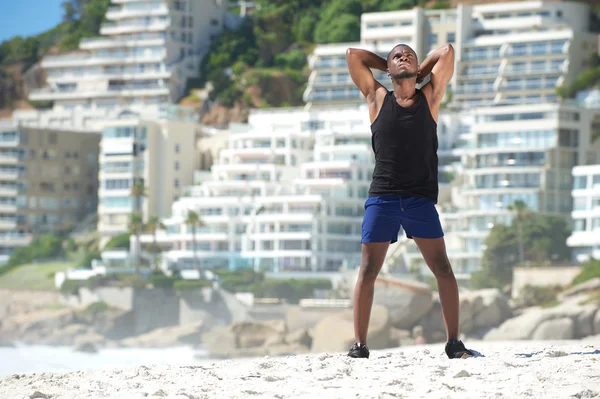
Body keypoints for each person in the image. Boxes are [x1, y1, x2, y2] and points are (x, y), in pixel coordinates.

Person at [345, 43, 475, 360]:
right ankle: (360, 346)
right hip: (382, 198)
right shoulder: (377, 98)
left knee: (443, 268)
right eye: (396, 56)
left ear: (418, 69)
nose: (403, 57)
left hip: (419, 201)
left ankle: (454, 343)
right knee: (368, 269)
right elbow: (353, 55)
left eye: (409, 56)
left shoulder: (430, 97)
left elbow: (446, 51)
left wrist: (419, 71)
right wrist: (391, 68)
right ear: (387, 69)